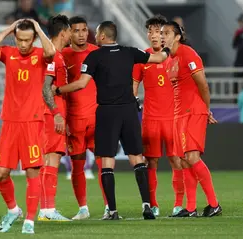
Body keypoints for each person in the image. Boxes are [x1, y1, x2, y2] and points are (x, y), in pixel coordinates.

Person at [52, 21, 171, 220]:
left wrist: (57, 90)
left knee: (107, 162)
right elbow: (159, 57)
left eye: (96, 34)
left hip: (107, 113)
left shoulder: (95, 56)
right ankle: (147, 206)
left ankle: (113, 211)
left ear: (103, 36)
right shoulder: (130, 52)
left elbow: (81, 83)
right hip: (129, 112)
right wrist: (169, 44)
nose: (93, 37)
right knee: (137, 159)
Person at [0, 19, 55, 234]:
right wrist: (8, 29)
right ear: (16, 38)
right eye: (20, 39)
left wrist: (38, 29)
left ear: (33, 39)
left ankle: (30, 220)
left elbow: (51, 51)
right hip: (10, 122)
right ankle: (14, 210)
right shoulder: (8, 53)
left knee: (32, 172)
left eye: (27, 40)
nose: (23, 44)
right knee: (1, 173)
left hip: (32, 122)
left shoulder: (41, 55)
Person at [161, 21, 222, 217]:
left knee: (192, 158)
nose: (162, 36)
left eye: (167, 33)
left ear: (177, 36)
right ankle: (191, 208)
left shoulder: (188, 53)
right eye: (161, 33)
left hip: (193, 111)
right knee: (184, 161)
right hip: (179, 114)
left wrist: (206, 109)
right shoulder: (169, 60)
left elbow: (203, 85)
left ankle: (214, 204)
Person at [132, 14, 184, 217]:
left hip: (173, 118)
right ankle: (152, 204)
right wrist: (132, 103)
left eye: (158, 31)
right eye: (150, 31)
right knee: (150, 162)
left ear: (165, 35)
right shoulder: (141, 58)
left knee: (176, 160)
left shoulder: (175, 56)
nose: (154, 35)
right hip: (151, 119)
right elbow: (134, 86)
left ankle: (179, 204)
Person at [61, 16, 108, 220]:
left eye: (83, 30)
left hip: (97, 118)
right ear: (69, 32)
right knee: (77, 165)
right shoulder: (63, 56)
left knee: (103, 163)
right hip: (74, 120)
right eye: (76, 30)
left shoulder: (97, 53)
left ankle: (109, 206)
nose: (81, 34)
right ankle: (82, 208)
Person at [38, 14, 71, 222]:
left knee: (50, 160)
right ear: (62, 32)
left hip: (52, 114)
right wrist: (57, 114)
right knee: (52, 159)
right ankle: (48, 209)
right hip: (52, 115)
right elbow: (45, 88)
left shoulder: (55, 55)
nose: (70, 35)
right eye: (69, 31)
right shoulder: (54, 57)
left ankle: (46, 209)